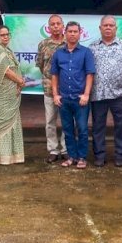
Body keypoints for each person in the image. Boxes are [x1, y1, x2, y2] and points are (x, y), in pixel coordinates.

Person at [89, 15, 122, 167]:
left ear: (116, 28)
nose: (108, 28)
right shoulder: (92, 47)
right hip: (98, 94)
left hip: (120, 94)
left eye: (111, 25)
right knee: (98, 126)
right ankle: (99, 156)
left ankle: (121, 155)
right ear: (100, 28)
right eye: (105, 25)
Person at [51, 21, 96, 169]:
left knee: (82, 129)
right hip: (64, 99)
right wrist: (56, 95)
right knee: (67, 130)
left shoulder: (86, 52)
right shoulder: (58, 53)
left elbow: (90, 74)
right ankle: (71, 156)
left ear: (79, 33)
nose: (72, 34)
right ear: (65, 33)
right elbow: (54, 75)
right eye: (70, 31)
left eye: (75, 31)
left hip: (80, 99)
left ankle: (82, 157)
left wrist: (86, 94)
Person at [0, 26, 25, 165]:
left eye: (7, 34)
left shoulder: (8, 50)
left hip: (12, 96)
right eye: (2, 35)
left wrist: (18, 84)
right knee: (2, 124)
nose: (5, 37)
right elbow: (7, 71)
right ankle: (2, 157)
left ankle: (14, 156)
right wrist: (20, 81)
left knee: (13, 123)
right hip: (2, 95)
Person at [36, 15, 67, 163]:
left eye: (58, 24)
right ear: (49, 27)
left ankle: (66, 149)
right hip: (49, 89)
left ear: (63, 26)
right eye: (52, 24)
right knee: (50, 121)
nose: (55, 26)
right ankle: (53, 150)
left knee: (67, 121)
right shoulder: (43, 44)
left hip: (68, 89)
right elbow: (41, 65)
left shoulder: (69, 43)